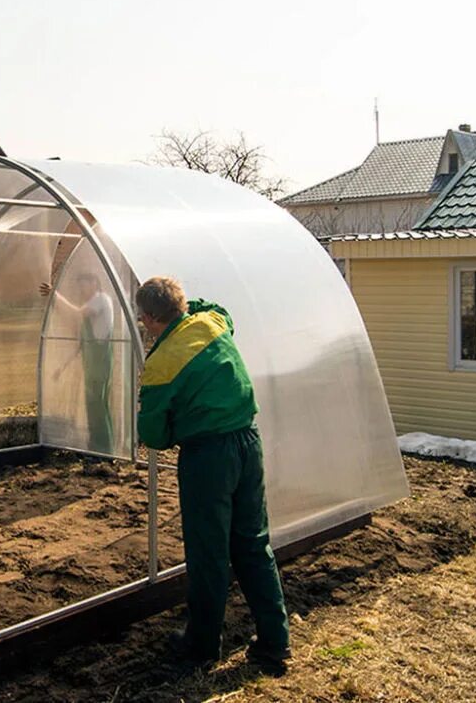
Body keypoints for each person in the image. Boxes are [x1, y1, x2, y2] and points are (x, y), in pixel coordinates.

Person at [135, 276, 291, 673]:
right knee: (254, 544)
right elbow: (216, 307)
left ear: (151, 318)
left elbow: (152, 433)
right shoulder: (212, 323)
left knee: (208, 553)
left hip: (207, 457)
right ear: (182, 306)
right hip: (247, 442)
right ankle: (275, 643)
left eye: (144, 319)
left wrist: (175, 429)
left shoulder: (162, 362)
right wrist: (186, 305)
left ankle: (202, 646)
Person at [39, 273, 114, 452]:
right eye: (79, 285)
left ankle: (103, 450)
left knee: (97, 407)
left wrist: (54, 295)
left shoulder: (101, 300)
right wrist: (62, 368)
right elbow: (81, 344)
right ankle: (97, 448)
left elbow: (77, 314)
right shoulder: (92, 305)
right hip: (93, 366)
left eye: (84, 284)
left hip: (99, 364)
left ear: (95, 282)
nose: (81, 289)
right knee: (94, 406)